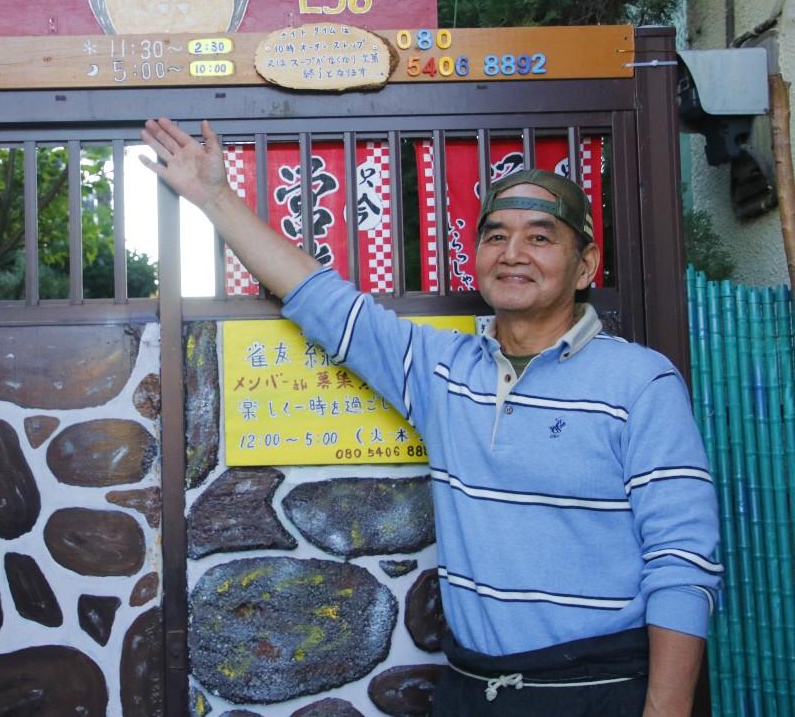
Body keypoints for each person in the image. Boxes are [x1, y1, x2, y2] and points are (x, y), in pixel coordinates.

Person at [141, 117, 721, 716]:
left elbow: (684, 562)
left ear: (585, 264)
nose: (513, 254)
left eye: (541, 238)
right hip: (474, 688)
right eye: (496, 236)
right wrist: (213, 196)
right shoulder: (444, 371)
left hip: (597, 691)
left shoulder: (640, 382)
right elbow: (321, 299)